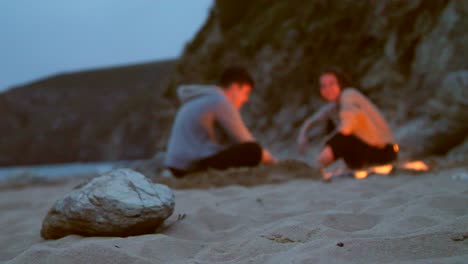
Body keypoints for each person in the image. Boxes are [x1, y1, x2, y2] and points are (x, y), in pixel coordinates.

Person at [165, 66, 277, 177]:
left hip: (176, 166)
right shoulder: (220, 100)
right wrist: (270, 159)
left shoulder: (201, 98)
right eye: (246, 92)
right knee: (253, 150)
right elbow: (244, 139)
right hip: (190, 166)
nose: (246, 99)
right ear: (235, 87)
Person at [297, 69, 398, 170]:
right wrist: (302, 135)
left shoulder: (348, 95)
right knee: (338, 136)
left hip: (383, 151)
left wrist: (325, 143)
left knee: (342, 138)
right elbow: (313, 120)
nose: (328, 89)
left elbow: (346, 128)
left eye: (332, 84)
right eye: (323, 86)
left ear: (341, 84)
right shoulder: (334, 105)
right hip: (367, 152)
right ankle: (317, 166)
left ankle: (315, 168)